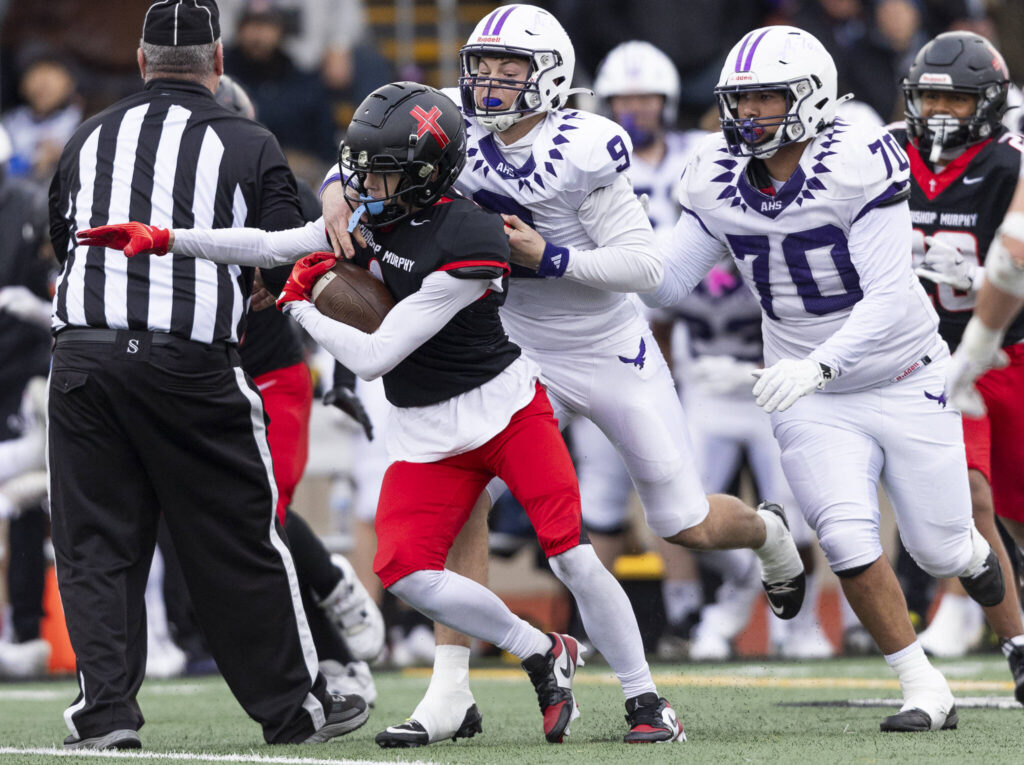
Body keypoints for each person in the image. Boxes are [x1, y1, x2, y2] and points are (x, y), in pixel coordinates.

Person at [78, 81, 688, 746]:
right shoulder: (375, 213)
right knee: (403, 570)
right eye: (361, 167)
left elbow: (377, 353)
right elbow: (265, 242)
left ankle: (645, 697)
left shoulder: (471, 237)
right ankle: (542, 648)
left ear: (428, 174)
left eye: (384, 171)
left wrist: (298, 305)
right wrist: (166, 239)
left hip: (507, 414)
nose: (366, 182)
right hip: (428, 428)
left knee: (570, 554)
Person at [320, 6, 806, 746]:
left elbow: (645, 269)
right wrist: (332, 189)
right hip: (511, 346)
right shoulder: (460, 131)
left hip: (607, 346)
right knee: (467, 494)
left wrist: (550, 255)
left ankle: (768, 531)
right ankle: (450, 688)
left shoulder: (584, 146)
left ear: (548, 76)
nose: (486, 83)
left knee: (684, 521)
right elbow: (369, 151)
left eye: (507, 70)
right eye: (481, 67)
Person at [642, 24, 1005, 732]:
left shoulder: (859, 160)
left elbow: (893, 296)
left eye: (766, 100)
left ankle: (972, 552)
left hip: (900, 371)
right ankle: (922, 683)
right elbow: (665, 281)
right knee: (845, 538)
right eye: (738, 100)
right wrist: (566, 263)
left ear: (808, 100)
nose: (747, 116)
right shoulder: (716, 176)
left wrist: (818, 361)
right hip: (809, 394)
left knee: (940, 546)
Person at [46, 0, 366, 749]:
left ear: (139, 61)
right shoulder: (248, 139)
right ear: (219, 64)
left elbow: (64, 242)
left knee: (97, 544)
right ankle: (293, 708)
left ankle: (107, 716)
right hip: (187, 359)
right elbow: (287, 253)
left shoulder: (88, 134)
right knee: (238, 536)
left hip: (84, 359)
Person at [892, 30, 1024, 688]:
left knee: (1019, 505)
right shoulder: (885, 154)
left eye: (957, 99)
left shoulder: (1008, 161)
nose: (941, 111)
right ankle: (1017, 642)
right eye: (931, 97)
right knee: (970, 493)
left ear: (989, 103)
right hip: (932, 357)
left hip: (1011, 350)